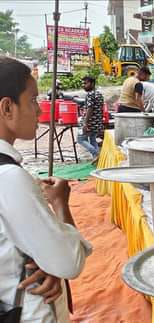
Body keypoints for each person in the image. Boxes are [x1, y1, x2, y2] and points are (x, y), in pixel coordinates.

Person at [0, 56, 92, 322]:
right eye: (32, 100)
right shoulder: (10, 179)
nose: (39, 110)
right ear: (7, 108)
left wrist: (43, 259)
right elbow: (68, 262)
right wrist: (61, 204)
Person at [78, 76, 104, 160]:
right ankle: (97, 160)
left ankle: (96, 154)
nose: (83, 85)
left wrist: (85, 123)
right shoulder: (99, 94)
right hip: (97, 123)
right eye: (83, 83)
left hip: (90, 123)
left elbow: (90, 109)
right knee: (93, 140)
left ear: (92, 84)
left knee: (80, 139)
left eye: (86, 83)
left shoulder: (90, 94)